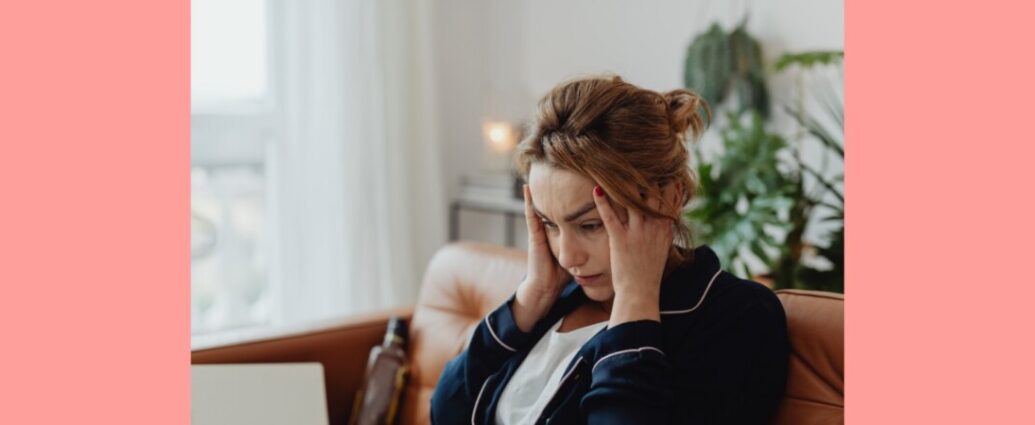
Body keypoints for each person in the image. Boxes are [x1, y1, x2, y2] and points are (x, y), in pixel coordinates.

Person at [430, 75, 789, 424]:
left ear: (669, 199)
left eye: (590, 225)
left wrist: (636, 299)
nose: (567, 257)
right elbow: (445, 411)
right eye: (550, 224)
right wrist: (530, 299)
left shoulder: (738, 316)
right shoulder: (556, 299)